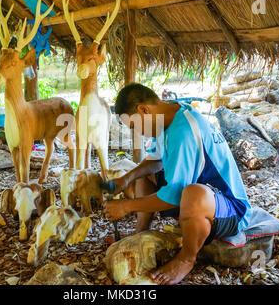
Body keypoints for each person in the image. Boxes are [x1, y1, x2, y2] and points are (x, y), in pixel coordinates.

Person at [103, 83, 252, 285]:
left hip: (231, 209)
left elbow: (173, 196)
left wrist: (125, 206)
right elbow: (154, 160)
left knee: (192, 194)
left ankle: (186, 258)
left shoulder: (184, 131)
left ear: (143, 110)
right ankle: (139, 234)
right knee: (143, 175)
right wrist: (126, 178)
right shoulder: (168, 115)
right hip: (202, 199)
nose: (136, 132)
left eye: (133, 126)